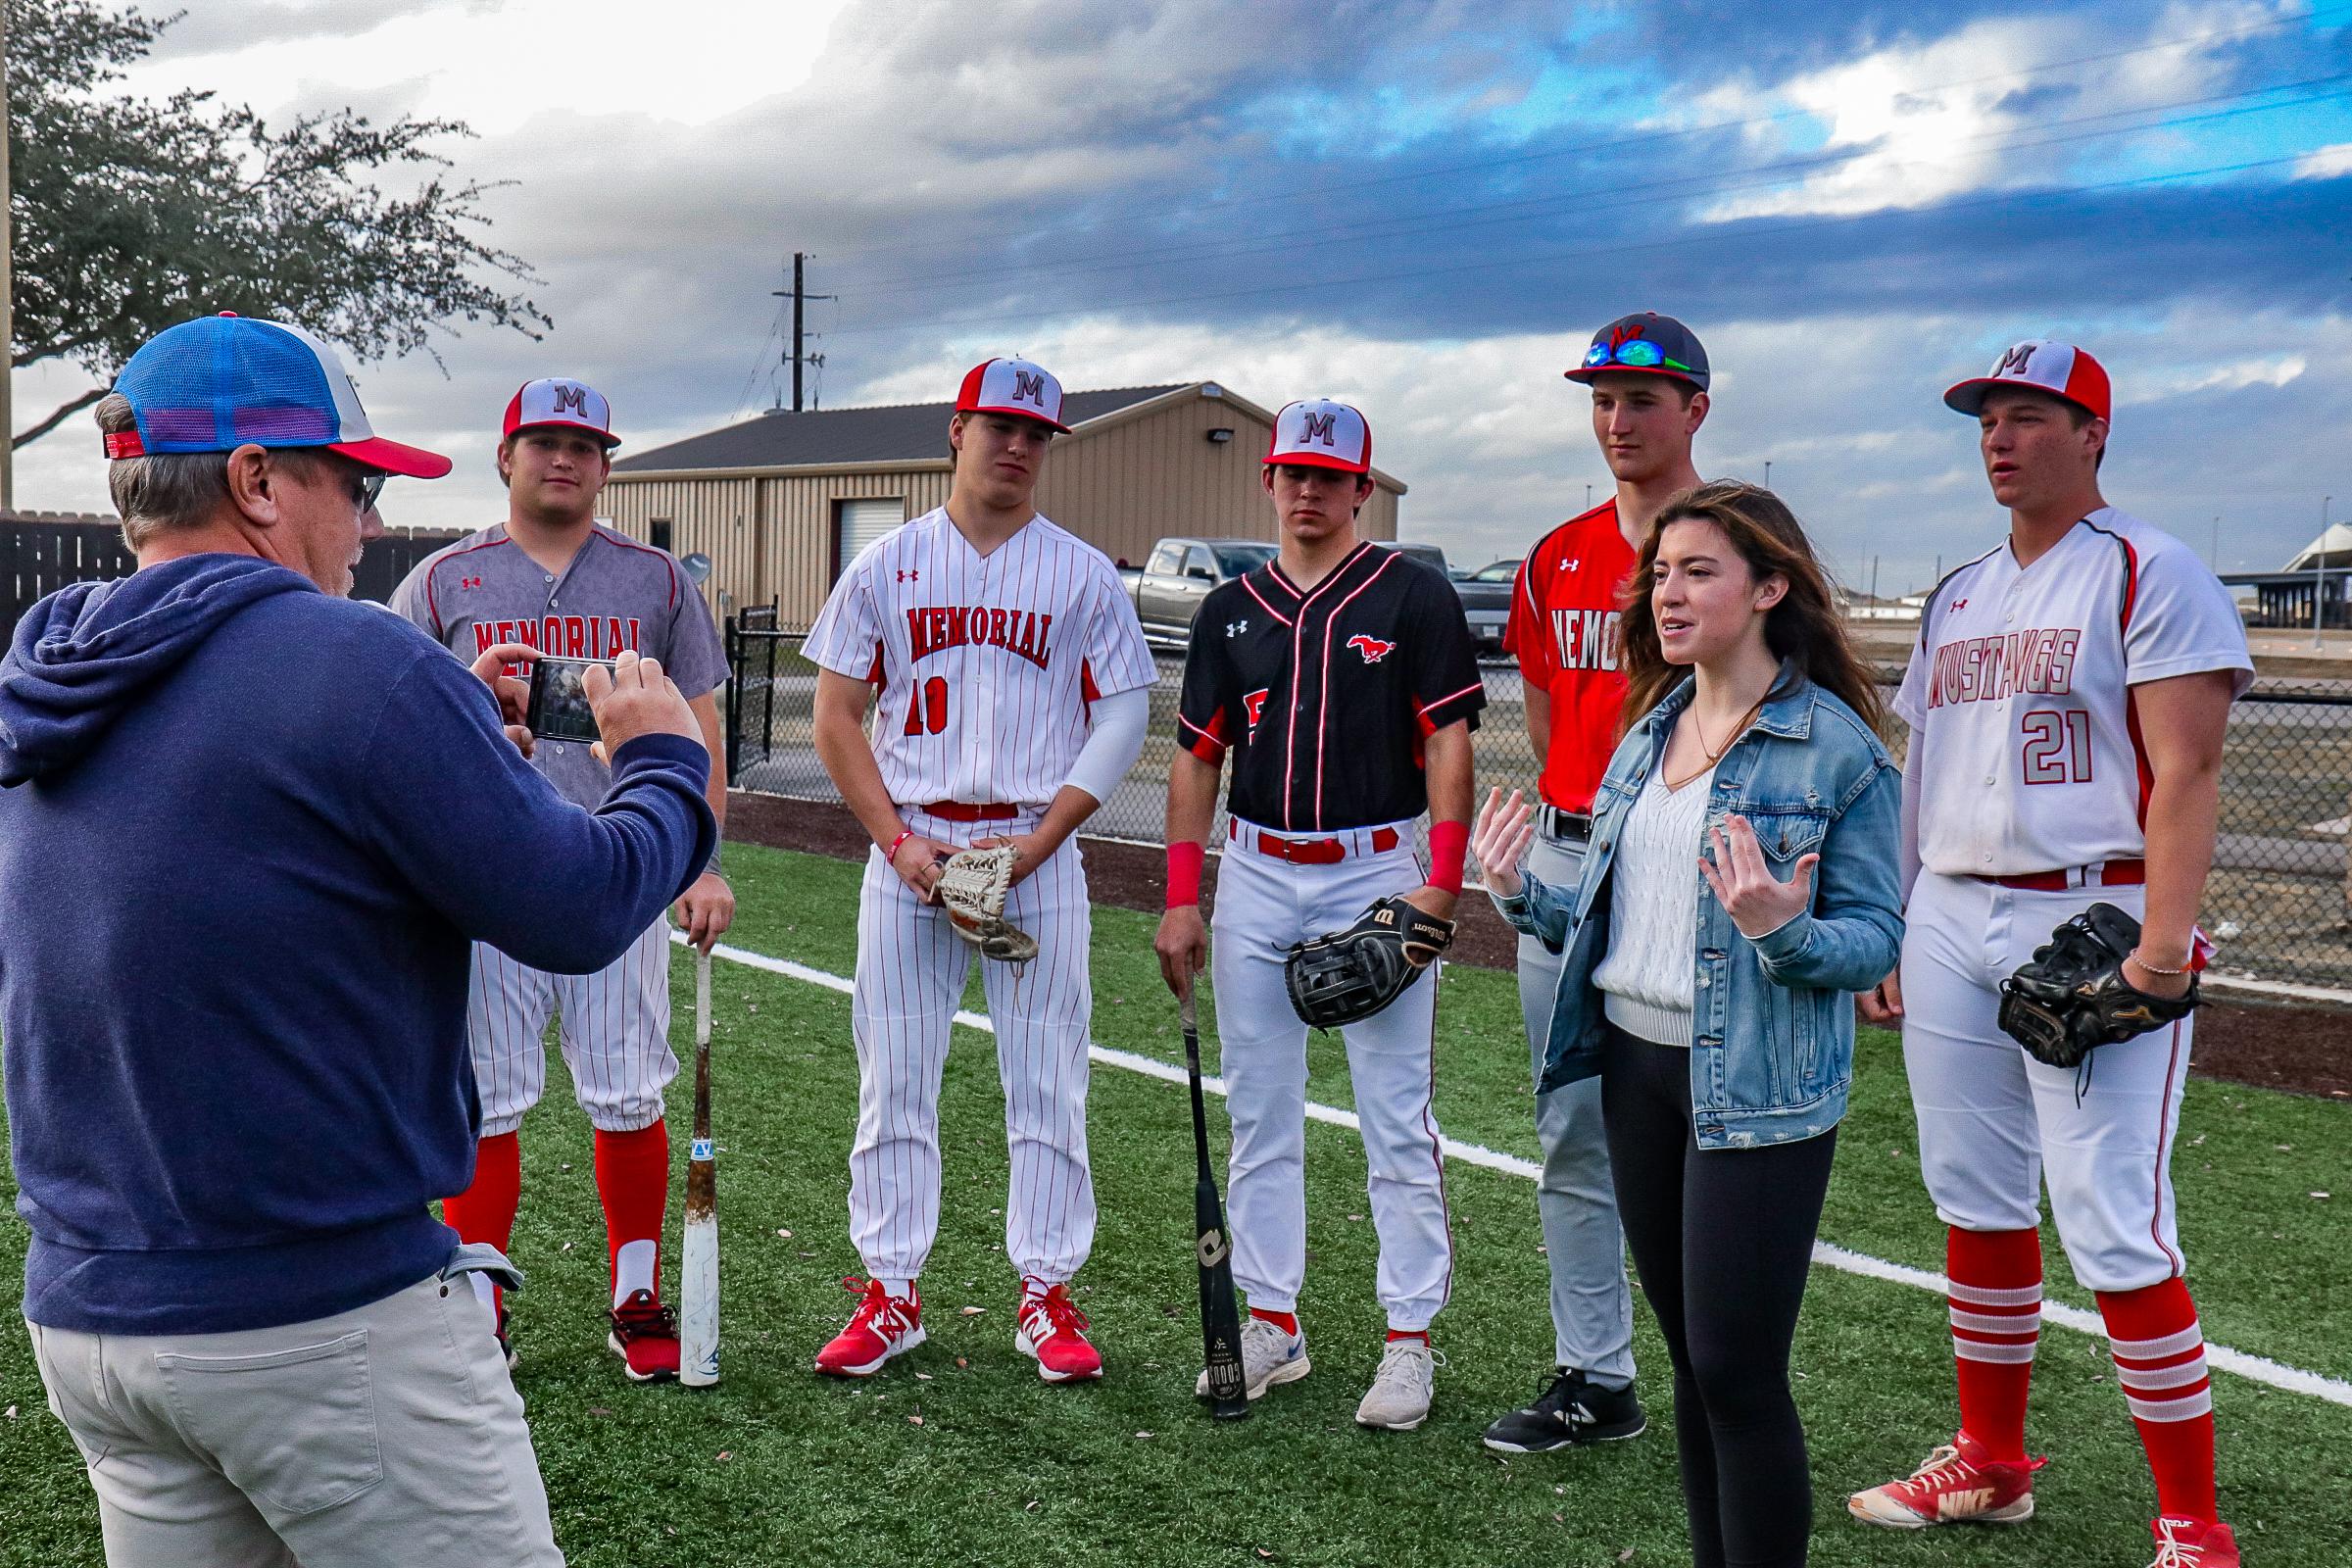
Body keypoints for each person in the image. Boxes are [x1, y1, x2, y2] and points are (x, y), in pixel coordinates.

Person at [0, 314, 715, 1566]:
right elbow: (580, 908)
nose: (373, 519)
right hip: (314, 1316)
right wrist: (665, 761)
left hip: (91, 1315)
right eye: (355, 479)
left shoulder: (47, 664)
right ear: (258, 481)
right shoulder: (357, 658)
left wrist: (448, 768)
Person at [1848, 342, 2252, 1568]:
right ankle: (1994, 1464)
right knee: (1970, 1194)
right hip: (1953, 913)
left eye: (2030, 415)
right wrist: (1897, 919)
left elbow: (2186, 768)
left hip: (2094, 914)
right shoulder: (1960, 589)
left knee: (2113, 1222)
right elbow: (1921, 774)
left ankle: (2194, 1527)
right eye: (1987, 418)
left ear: (2093, 433)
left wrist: (2164, 954)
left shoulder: (2148, 567)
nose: (2000, 437)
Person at [1477, 479, 1900, 1566]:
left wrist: (1783, 930)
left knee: (1737, 1369)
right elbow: (1612, 919)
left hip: (1755, 1090)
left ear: (1769, 587)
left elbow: (1874, 941)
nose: (1668, 591)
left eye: (1698, 570)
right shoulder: (1649, 728)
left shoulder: (1837, 749)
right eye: (1661, 572)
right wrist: (1522, 887)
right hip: (1635, 1068)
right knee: (1691, 1363)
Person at [804, 358, 1153, 1382]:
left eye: (1035, 432)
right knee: (894, 1082)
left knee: (1047, 1081)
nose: (1016, 444)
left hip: (1034, 854)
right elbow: (834, 716)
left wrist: (1038, 843)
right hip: (911, 847)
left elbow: (1125, 711)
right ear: (955, 432)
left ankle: (1045, 1295)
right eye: (998, 424)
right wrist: (901, 845)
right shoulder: (887, 564)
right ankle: (892, 1290)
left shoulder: (1083, 572)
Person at [391, 379, 735, 1383]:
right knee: (485, 1101)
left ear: (607, 464)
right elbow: (400, 725)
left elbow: (698, 724)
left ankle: (635, 1294)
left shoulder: (658, 580)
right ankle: (482, 1303)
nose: (564, 459)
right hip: (484, 870)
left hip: (615, 861)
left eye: (585, 445)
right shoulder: (442, 579)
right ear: (505, 456)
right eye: (543, 441)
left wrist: (703, 856)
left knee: (628, 1092)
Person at [1154, 398, 1483, 1433]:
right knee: (1262, 1114)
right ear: (1270, 480)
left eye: (1329, 476)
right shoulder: (1231, 607)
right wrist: (1179, 897)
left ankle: (1410, 1339)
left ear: (1360, 488)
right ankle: (1271, 1323)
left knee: (1395, 1115)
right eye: (1293, 471)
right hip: (1255, 868)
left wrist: (1438, 883)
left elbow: (1448, 747)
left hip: (1376, 866)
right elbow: (1197, 758)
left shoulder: (1413, 595)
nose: (1309, 490)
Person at [1485, 309, 1713, 1453]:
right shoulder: (1556, 554)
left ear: (1695, 413)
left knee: (1702, 1129)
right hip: (1574, 861)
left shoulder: (1735, 546)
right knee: (1572, 1124)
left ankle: (1720, 1377)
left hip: (1689, 864)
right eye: (1604, 400)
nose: (1618, 420)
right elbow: (1544, 711)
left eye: (1643, 400)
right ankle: (1597, 1376)